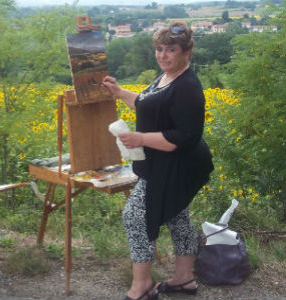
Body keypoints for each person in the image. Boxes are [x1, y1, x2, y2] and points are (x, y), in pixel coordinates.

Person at [101, 21, 214, 300]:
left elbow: (183, 137)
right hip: (164, 162)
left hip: (180, 165)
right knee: (177, 217)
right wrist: (119, 93)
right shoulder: (166, 76)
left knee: (134, 216)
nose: (163, 55)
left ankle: (142, 286)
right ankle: (184, 279)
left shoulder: (187, 86)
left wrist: (140, 139)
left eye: (171, 50)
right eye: (159, 49)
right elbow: (147, 103)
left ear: (186, 52)